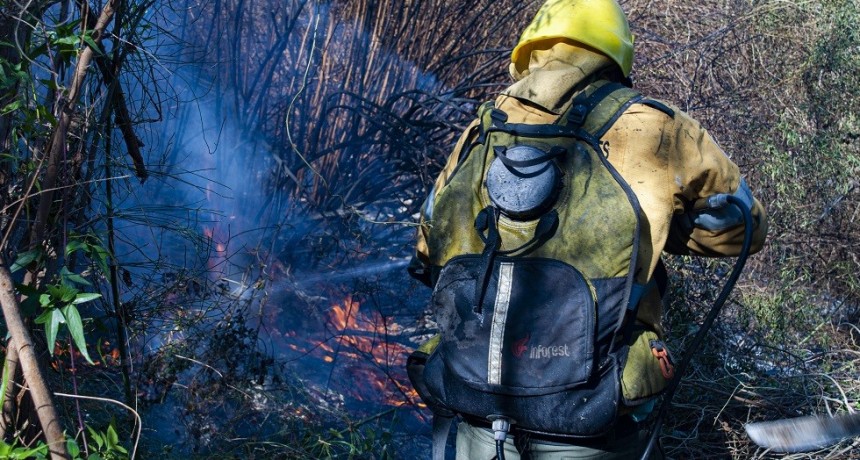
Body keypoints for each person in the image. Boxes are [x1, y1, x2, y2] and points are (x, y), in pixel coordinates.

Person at [407, 0, 769, 458]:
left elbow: (425, 247)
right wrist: (657, 227)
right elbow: (745, 231)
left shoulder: (484, 127)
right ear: (615, 56)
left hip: (473, 402)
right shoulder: (657, 128)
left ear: (532, 49)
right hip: (586, 414)